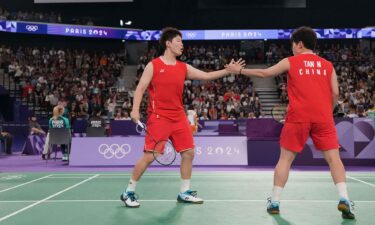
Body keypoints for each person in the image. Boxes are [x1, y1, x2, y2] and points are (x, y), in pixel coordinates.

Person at [226, 26, 355, 219]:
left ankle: (275, 201)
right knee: (334, 159)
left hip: (298, 117)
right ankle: (344, 199)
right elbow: (335, 93)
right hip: (323, 118)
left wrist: (240, 70)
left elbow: (265, 74)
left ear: (300, 44)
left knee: (285, 159)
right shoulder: (328, 65)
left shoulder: (291, 61)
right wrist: (327, 111)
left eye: (293, 45)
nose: (292, 48)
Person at [121, 27, 244, 208]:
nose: (182, 45)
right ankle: (128, 192)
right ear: (168, 43)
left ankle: (184, 192)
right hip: (159, 117)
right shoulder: (153, 65)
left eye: (182, 41)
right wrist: (134, 110)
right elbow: (140, 88)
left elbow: (207, 76)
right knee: (150, 156)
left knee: (189, 153)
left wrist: (228, 70)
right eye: (178, 41)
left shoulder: (183, 67)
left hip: (178, 117)